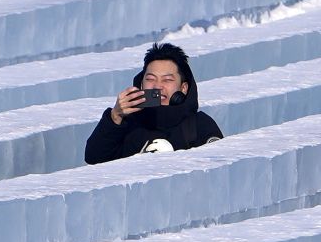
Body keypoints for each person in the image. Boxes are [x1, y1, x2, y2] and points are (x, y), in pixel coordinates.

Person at [83, 43, 223, 164]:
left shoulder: (199, 125)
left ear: (183, 88)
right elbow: (94, 158)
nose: (158, 86)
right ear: (142, 84)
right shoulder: (129, 124)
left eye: (167, 80)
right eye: (151, 79)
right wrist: (115, 117)